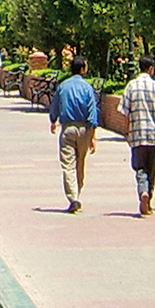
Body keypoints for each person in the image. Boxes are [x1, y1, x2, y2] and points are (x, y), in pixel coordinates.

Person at [118, 55, 155, 216]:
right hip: (154, 135)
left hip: (137, 134)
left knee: (140, 168)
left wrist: (127, 131)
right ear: (151, 69)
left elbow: (125, 112)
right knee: (151, 169)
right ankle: (149, 198)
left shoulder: (131, 87)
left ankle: (143, 192)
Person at [49, 56, 98, 213]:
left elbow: (55, 105)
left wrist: (53, 120)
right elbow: (93, 113)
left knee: (68, 164)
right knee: (80, 162)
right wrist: (93, 136)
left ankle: (73, 197)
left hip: (67, 128)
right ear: (82, 69)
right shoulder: (87, 88)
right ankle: (77, 194)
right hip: (84, 129)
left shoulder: (63, 86)